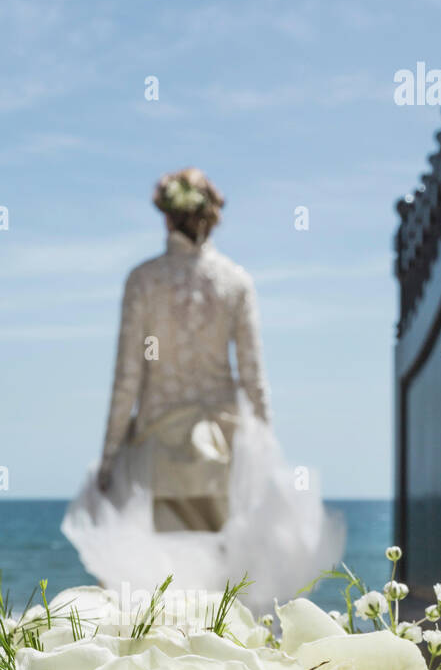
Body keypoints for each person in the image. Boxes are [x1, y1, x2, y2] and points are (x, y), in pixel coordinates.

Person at [62, 167, 345, 613]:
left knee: (158, 593)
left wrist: (110, 454)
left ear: (166, 217)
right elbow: (253, 377)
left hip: (157, 446)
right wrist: (266, 447)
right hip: (224, 450)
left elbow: (127, 377)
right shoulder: (236, 281)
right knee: (218, 590)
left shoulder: (143, 280)